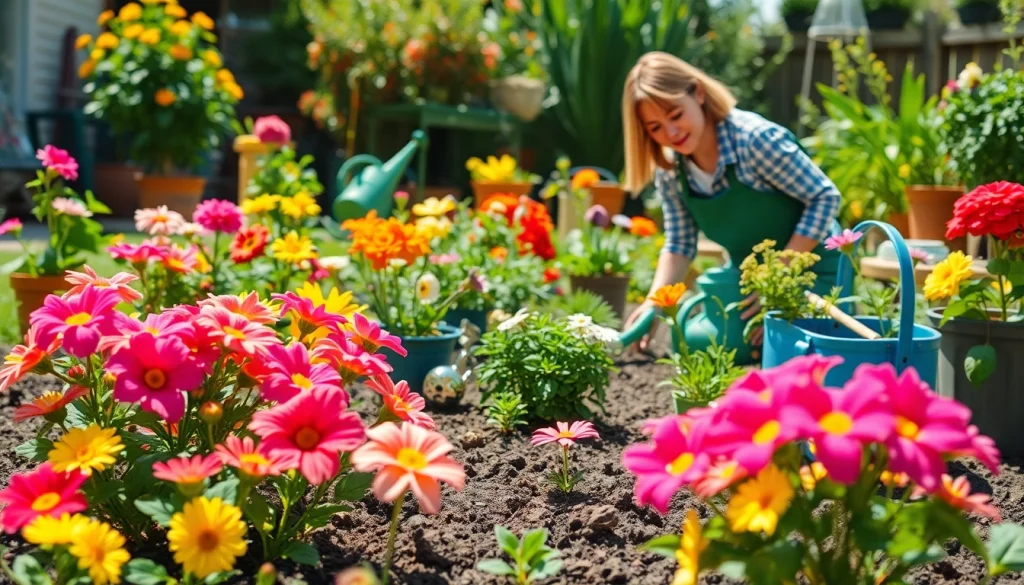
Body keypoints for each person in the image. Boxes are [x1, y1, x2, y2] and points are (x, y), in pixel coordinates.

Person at [620, 51, 844, 353]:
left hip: (816, 276)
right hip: (750, 286)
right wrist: (655, 303)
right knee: (728, 352)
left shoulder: (754, 141)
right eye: (655, 128)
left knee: (793, 358)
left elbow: (824, 197)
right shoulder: (672, 171)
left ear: (698, 93)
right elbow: (680, 243)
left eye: (675, 115)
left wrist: (778, 276)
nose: (671, 134)